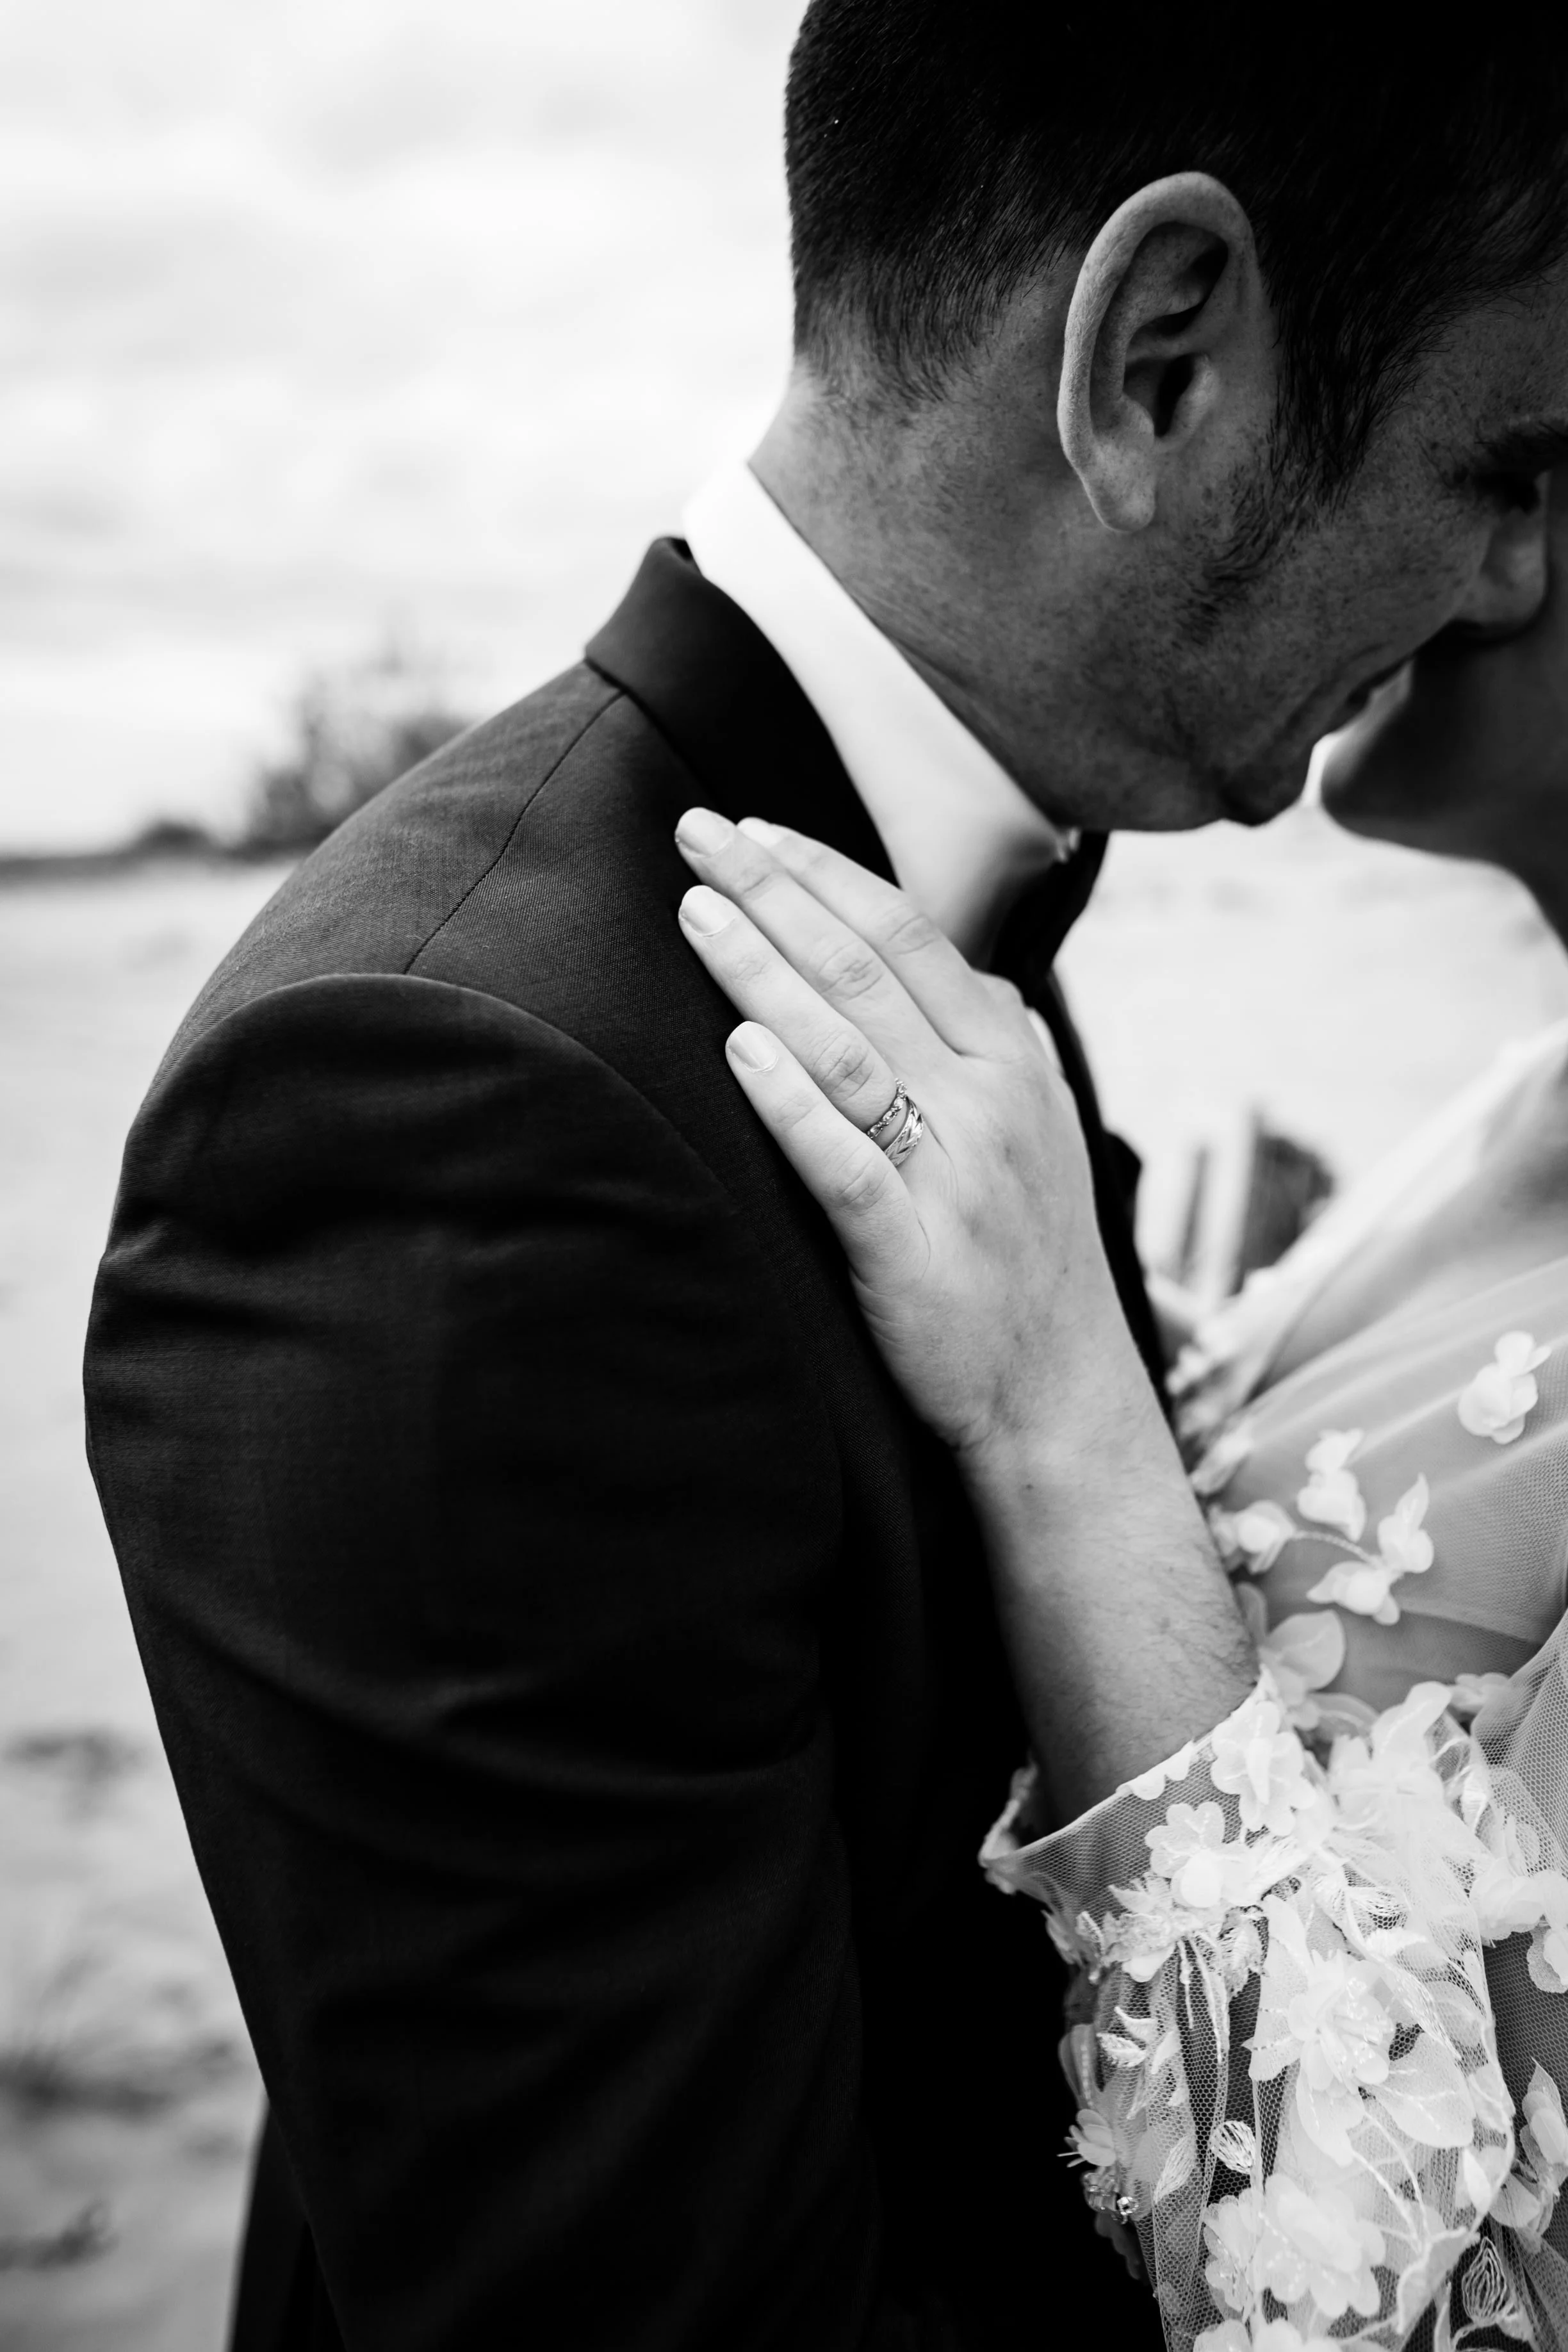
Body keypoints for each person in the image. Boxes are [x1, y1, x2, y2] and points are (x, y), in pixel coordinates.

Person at [81, 4, 1568, 2347]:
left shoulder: (917, 915)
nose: (1504, 575)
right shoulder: (449, 1118)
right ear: (1161, 358)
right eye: (1505, 458)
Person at [671, 484, 1568, 2344]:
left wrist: (1066, 1414)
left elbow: (1439, 2318)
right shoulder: (1518, 1091)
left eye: (1546, 465)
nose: (1492, 547)